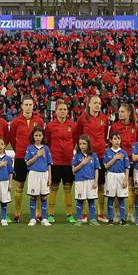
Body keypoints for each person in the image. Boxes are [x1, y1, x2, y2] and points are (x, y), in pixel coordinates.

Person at [8, 96, 44, 222]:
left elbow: (41, 138)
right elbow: (12, 138)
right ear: (22, 106)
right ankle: (17, 213)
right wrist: (18, 150)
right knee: (20, 184)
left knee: (37, 185)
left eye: (30, 104)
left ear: (33, 106)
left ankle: (38, 213)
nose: (28, 107)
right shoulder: (16, 122)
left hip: (36, 157)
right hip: (21, 157)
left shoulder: (39, 121)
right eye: (26, 104)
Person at [73, 95, 109, 223]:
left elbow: (104, 135)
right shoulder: (82, 118)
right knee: (84, 184)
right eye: (95, 103)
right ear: (89, 104)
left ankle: (100, 213)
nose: (97, 105)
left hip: (99, 155)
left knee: (100, 185)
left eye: (99, 103)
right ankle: (83, 215)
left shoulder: (104, 119)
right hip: (86, 156)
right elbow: (77, 135)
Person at [44, 100, 76, 224]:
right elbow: (47, 143)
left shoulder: (72, 126)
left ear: (67, 112)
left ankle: (69, 214)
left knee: (68, 189)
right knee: (53, 188)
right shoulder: (51, 126)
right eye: (60, 109)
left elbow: (76, 140)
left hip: (68, 162)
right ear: (55, 112)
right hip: (55, 162)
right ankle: (50, 213)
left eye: (64, 109)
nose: (62, 112)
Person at [109, 103, 138, 221]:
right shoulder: (115, 127)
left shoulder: (136, 128)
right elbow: (110, 143)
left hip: (132, 161)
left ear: (129, 113)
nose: (120, 113)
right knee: (118, 188)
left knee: (131, 187)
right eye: (119, 112)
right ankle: (117, 213)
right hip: (118, 161)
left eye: (122, 112)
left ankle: (130, 213)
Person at [24, 127, 53, 226]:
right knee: (33, 196)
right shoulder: (30, 148)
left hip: (44, 174)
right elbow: (27, 163)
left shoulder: (46, 148)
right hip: (33, 174)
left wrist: (50, 177)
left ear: (43, 136)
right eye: (36, 135)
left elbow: (49, 164)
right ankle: (33, 218)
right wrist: (37, 155)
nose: (38, 137)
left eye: (40, 135)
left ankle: (44, 218)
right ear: (33, 136)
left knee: (44, 196)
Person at [71, 134, 101, 226]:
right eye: (80, 144)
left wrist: (96, 181)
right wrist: (82, 163)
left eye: (84, 143)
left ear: (88, 144)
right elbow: (73, 170)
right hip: (80, 181)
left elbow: (96, 169)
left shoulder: (93, 155)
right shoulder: (76, 156)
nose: (82, 146)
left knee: (91, 200)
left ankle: (92, 219)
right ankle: (79, 219)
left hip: (91, 181)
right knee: (80, 200)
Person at [103, 133, 130, 225]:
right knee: (110, 198)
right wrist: (114, 159)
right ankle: (110, 219)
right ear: (111, 140)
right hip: (111, 176)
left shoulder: (124, 152)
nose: (117, 141)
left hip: (121, 176)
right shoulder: (107, 152)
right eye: (115, 139)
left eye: (119, 139)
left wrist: (126, 179)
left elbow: (127, 167)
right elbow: (106, 166)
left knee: (121, 198)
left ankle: (122, 219)